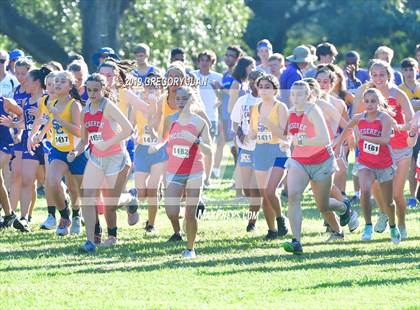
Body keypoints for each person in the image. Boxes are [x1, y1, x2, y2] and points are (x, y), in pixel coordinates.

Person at [282, 81, 355, 255]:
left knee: (322, 206)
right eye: (293, 94)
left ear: (308, 95)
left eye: (300, 94)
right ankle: (296, 241)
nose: (296, 97)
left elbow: (324, 139)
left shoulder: (313, 110)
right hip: (299, 160)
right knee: (293, 196)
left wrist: (300, 140)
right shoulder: (290, 112)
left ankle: (344, 208)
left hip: (322, 161)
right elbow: (285, 136)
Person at [73, 73, 134, 253]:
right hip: (97, 158)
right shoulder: (85, 111)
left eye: (96, 90)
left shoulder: (108, 107)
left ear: (103, 89)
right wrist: (75, 151)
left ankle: (131, 198)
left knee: (110, 203)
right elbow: (84, 140)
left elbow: (128, 130)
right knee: (86, 195)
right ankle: (90, 241)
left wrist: (108, 143)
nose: (92, 94)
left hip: (116, 157)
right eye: (89, 90)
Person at [354, 59, 413, 240]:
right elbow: (356, 120)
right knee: (373, 185)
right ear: (370, 76)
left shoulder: (398, 94)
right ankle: (383, 212)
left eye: (382, 74)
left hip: (399, 148)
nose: (378, 78)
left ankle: (401, 223)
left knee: (396, 193)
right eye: (374, 75)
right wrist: (357, 142)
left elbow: (411, 119)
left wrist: (401, 127)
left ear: (389, 75)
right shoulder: (367, 95)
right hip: (375, 151)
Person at [337, 88, 400, 243]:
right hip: (365, 163)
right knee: (365, 190)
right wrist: (337, 145)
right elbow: (347, 128)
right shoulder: (359, 118)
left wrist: (364, 136)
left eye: (373, 101)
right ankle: (368, 226)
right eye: (367, 101)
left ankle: (392, 226)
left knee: (389, 203)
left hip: (384, 164)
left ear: (379, 103)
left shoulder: (384, 118)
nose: (370, 104)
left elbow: (385, 139)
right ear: (363, 103)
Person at [29, 71, 86, 236]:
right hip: (57, 150)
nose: (57, 84)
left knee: (74, 188)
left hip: (75, 151)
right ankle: (65, 216)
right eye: (55, 82)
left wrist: (59, 119)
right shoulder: (47, 102)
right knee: (51, 182)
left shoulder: (74, 105)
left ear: (70, 86)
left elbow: (79, 132)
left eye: (62, 81)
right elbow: (46, 120)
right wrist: (37, 135)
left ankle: (77, 215)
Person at [164, 86, 212, 259]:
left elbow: (209, 151)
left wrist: (196, 141)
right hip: (174, 170)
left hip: (195, 171)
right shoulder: (170, 120)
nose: (181, 102)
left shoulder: (200, 122)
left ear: (192, 100)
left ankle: (190, 249)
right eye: (178, 99)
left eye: (185, 99)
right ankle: (178, 231)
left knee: (190, 213)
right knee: (171, 211)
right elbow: (164, 143)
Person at [249, 74, 289, 240]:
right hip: (260, 150)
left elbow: (285, 135)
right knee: (264, 193)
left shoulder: (280, 107)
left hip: (278, 150)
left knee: (270, 190)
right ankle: (272, 230)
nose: (264, 90)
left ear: (275, 90)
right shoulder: (254, 108)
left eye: (267, 86)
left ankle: (281, 218)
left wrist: (269, 124)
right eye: (261, 86)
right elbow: (253, 132)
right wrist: (247, 136)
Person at [231, 70, 264, 231]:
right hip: (245, 148)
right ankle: (260, 207)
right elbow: (235, 122)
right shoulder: (243, 100)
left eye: (256, 80)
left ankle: (252, 223)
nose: (253, 83)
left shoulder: (268, 101)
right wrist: (240, 134)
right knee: (247, 189)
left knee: (256, 188)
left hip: (261, 149)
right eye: (250, 79)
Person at [133, 73, 166, 232]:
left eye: (155, 87)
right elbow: (130, 125)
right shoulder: (138, 106)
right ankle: (132, 204)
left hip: (159, 150)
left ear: (161, 89)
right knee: (141, 192)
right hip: (141, 150)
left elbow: (157, 125)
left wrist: (154, 106)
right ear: (144, 90)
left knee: (153, 188)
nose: (151, 91)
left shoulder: (164, 106)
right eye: (148, 88)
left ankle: (151, 224)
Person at [213, 45, 243, 180]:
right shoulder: (225, 74)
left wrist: (220, 88)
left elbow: (235, 93)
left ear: (237, 58)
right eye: (227, 55)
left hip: (236, 115)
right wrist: (216, 91)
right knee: (231, 147)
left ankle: (240, 178)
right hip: (225, 115)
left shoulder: (238, 73)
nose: (228, 58)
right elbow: (223, 96)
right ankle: (237, 178)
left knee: (237, 147)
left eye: (232, 56)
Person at [191, 50, 222, 185]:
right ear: (198, 62)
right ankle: (196, 175)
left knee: (208, 147)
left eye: (207, 60)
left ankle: (207, 178)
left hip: (211, 117)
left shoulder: (218, 77)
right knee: (194, 147)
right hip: (193, 117)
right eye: (202, 60)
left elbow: (222, 99)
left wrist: (217, 92)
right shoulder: (192, 76)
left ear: (212, 62)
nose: (204, 63)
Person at [399, 58, 420, 208]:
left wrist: (413, 105)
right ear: (402, 72)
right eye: (405, 70)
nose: (409, 73)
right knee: (412, 164)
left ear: (417, 70)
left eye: (411, 69)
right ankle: (412, 196)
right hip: (410, 131)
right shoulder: (399, 90)